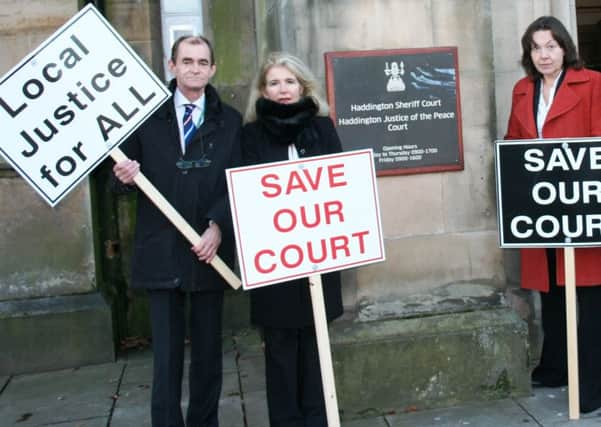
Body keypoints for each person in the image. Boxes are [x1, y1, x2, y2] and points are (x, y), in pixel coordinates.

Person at [112, 35, 242, 426]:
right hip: (161, 251)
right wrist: (123, 176)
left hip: (209, 250)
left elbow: (237, 182)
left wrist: (219, 226)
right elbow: (117, 184)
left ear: (213, 69)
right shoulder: (145, 117)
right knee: (166, 355)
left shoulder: (230, 121)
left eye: (202, 62)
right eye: (187, 61)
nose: (194, 68)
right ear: (172, 66)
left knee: (206, 353)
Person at [505, 16, 601, 413]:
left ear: (565, 48)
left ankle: (593, 382)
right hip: (539, 206)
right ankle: (556, 366)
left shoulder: (594, 83)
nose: (543, 55)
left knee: (591, 296)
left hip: (581, 204)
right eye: (536, 47)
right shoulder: (523, 89)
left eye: (551, 46)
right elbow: (513, 141)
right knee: (552, 291)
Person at [242, 52, 344, 426]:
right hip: (275, 262)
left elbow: (340, 186)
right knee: (281, 351)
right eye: (274, 83)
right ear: (263, 91)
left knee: (316, 349)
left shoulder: (322, 127)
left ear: (303, 86)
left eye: (289, 82)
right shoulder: (250, 135)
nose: (282, 89)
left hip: (318, 256)